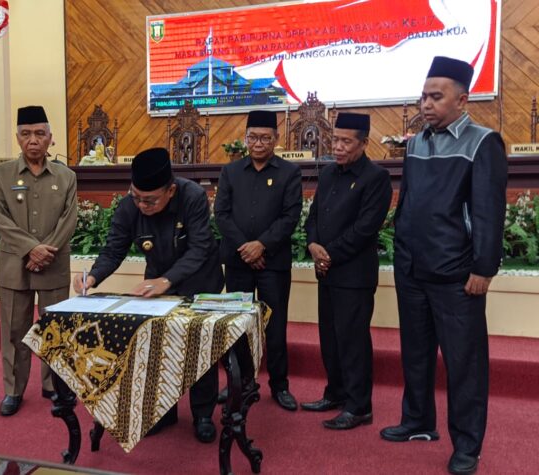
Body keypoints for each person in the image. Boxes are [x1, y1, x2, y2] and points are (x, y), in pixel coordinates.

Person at [380, 57, 507, 475]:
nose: (426, 104)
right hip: (413, 268)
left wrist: (483, 268)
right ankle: (418, 420)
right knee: (415, 354)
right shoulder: (416, 143)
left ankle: (467, 445)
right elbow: (409, 202)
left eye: (436, 96)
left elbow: (488, 211)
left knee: (464, 364)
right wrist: (401, 251)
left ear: (462, 99)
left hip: (456, 275)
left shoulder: (483, 142)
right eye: (424, 96)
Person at [72, 147, 223, 443]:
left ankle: (203, 414)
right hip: (157, 281)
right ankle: (163, 411)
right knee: (159, 345)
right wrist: (93, 276)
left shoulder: (192, 197)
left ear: (171, 191)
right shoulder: (130, 206)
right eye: (136, 196)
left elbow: (200, 248)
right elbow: (113, 249)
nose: (142, 205)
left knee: (201, 345)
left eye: (150, 200)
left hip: (199, 279)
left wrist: (167, 281)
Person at [301, 112, 392, 430]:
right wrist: (313, 244)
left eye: (346, 142)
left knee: (353, 342)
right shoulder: (328, 173)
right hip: (326, 272)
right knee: (330, 339)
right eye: (335, 140)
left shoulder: (376, 177)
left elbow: (366, 228)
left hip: (353, 275)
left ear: (363, 143)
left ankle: (359, 406)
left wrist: (330, 254)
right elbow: (313, 216)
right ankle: (336, 393)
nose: (338, 147)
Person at [0, 105, 78, 417]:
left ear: (50, 138)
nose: (33, 140)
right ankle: (13, 390)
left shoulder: (66, 177)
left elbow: (69, 219)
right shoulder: (0, 175)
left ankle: (53, 385)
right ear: (18, 138)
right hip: (15, 266)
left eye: (39, 133)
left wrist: (44, 251)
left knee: (54, 328)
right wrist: (30, 249)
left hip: (54, 264)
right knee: (14, 330)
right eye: (26, 134)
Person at [214, 110, 303, 411]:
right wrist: (246, 249)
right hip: (238, 262)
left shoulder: (289, 172)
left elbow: (290, 216)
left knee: (274, 326)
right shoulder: (230, 172)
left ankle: (279, 385)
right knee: (237, 325)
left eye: (265, 138)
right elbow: (221, 214)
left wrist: (262, 246)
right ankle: (239, 382)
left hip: (273, 264)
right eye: (253, 137)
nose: (258, 143)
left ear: (276, 139)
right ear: (245, 139)